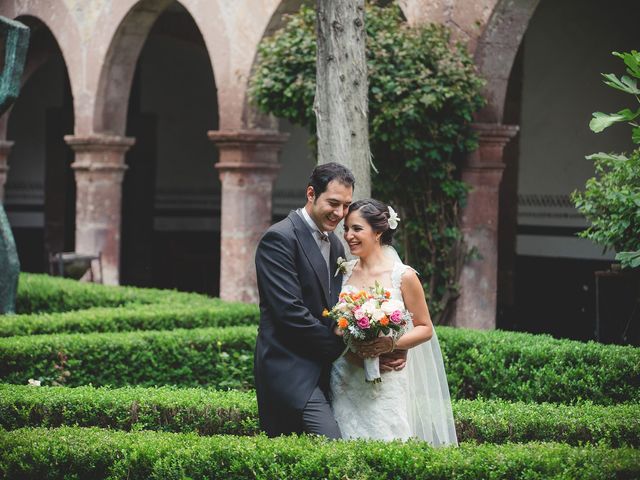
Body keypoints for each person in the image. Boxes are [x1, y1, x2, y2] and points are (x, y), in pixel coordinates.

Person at [254, 163, 403, 438]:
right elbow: (290, 314)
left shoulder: (335, 244)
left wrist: (378, 345)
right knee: (331, 443)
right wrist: (352, 349)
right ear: (311, 194)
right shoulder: (280, 238)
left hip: (327, 372)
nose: (340, 213)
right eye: (333, 203)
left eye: (346, 205)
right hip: (291, 371)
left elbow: (334, 310)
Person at [330, 198, 458, 445]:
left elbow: (425, 328)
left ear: (378, 232)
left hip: (386, 380)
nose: (348, 236)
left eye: (357, 229)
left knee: (389, 441)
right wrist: (352, 349)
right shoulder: (343, 272)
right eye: (346, 229)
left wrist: (390, 344)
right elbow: (334, 325)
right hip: (346, 377)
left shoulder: (404, 276)